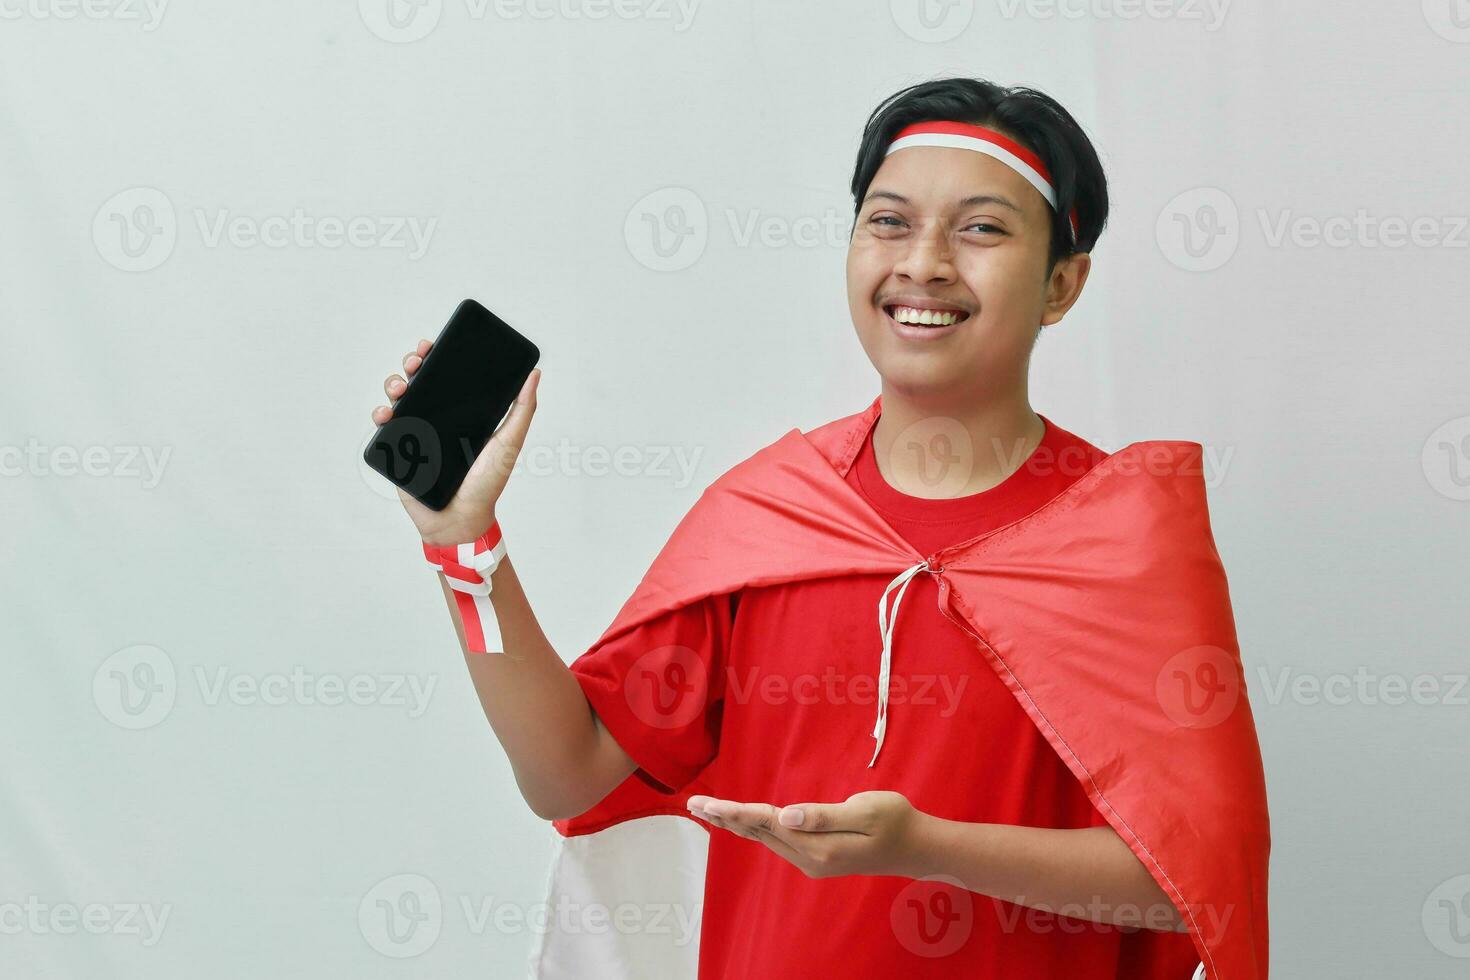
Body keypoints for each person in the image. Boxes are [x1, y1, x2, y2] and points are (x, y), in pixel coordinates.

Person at [368, 77, 1268, 980]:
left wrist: (928, 847)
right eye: (888, 221)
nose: (923, 262)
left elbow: (1191, 880)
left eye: (982, 228)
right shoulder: (770, 517)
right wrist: (463, 540)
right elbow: (567, 772)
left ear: (1061, 284)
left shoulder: (1119, 535)